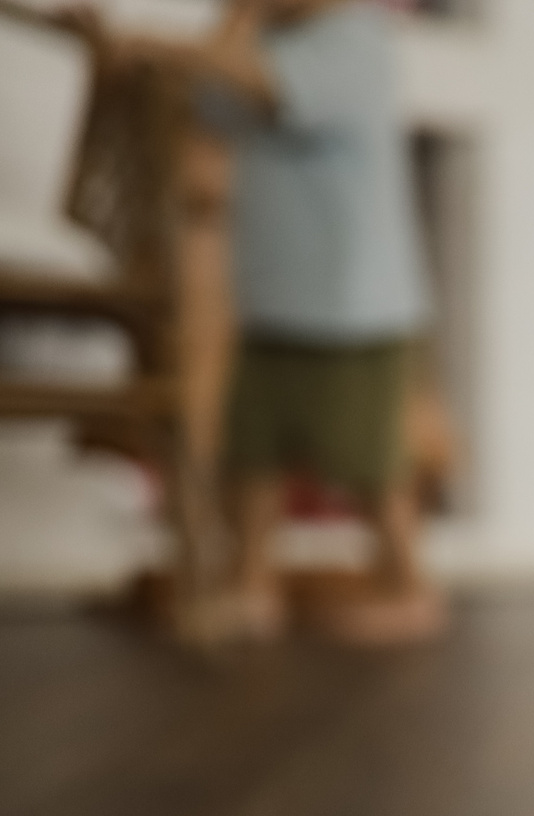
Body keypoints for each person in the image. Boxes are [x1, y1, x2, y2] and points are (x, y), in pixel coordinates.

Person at [77, 0, 443, 644]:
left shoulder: (356, 41)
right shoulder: (263, 46)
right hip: (274, 299)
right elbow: (207, 103)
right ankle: (252, 583)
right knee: (253, 451)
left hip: (353, 305)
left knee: (371, 459)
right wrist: (214, 29)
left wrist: (161, 40)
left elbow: (268, 83)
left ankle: (407, 586)